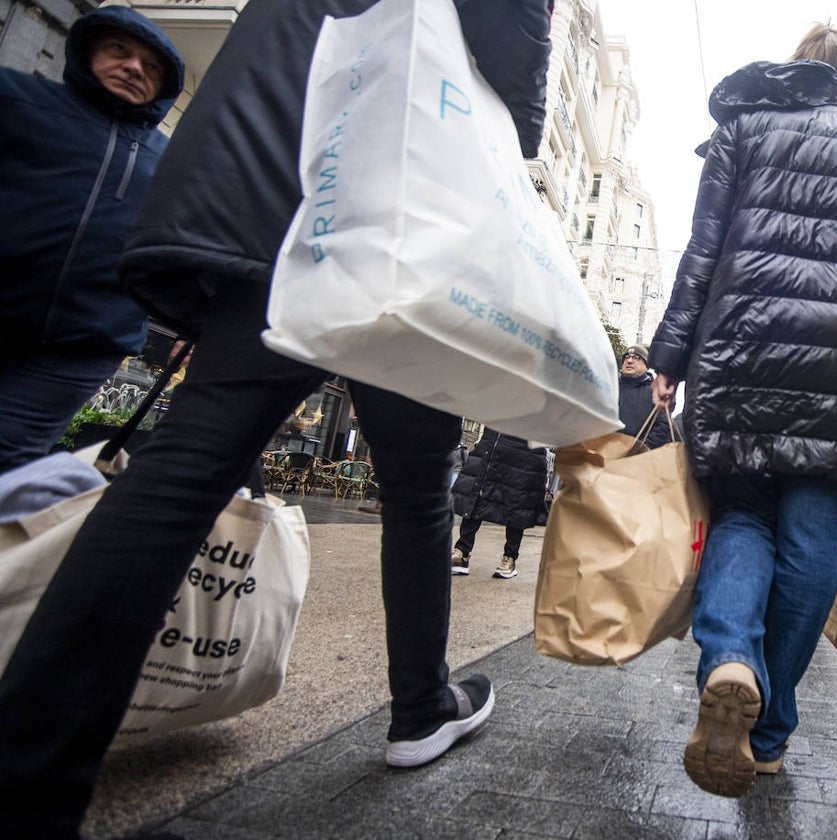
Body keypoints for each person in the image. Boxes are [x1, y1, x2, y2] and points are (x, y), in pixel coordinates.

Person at [0, 1, 554, 835]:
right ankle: (419, 705)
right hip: (399, 215)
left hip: (281, 187)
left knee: (185, 465)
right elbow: (510, 87)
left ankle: (27, 780)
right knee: (417, 493)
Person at [649, 23, 837, 798]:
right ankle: (769, 734)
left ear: (794, 65)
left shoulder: (741, 128)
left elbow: (701, 250)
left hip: (739, 357)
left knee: (742, 521)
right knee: (809, 545)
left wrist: (669, 357)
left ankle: (730, 655)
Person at [0, 6, 183, 475]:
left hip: (81, 345)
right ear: (88, 52)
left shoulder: (173, 161)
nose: (134, 67)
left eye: (152, 66)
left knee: (9, 460)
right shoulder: (18, 100)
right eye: (119, 50)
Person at [451, 427, 549, 579]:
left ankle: (509, 557)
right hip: (495, 439)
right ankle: (462, 551)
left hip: (526, 444)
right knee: (478, 495)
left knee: (518, 501)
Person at [617, 344, 672, 448]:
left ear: (646, 366)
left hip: (639, 457)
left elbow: (663, 427)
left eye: (636, 358)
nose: (629, 361)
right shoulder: (611, 388)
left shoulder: (655, 393)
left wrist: (639, 448)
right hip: (605, 451)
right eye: (627, 357)